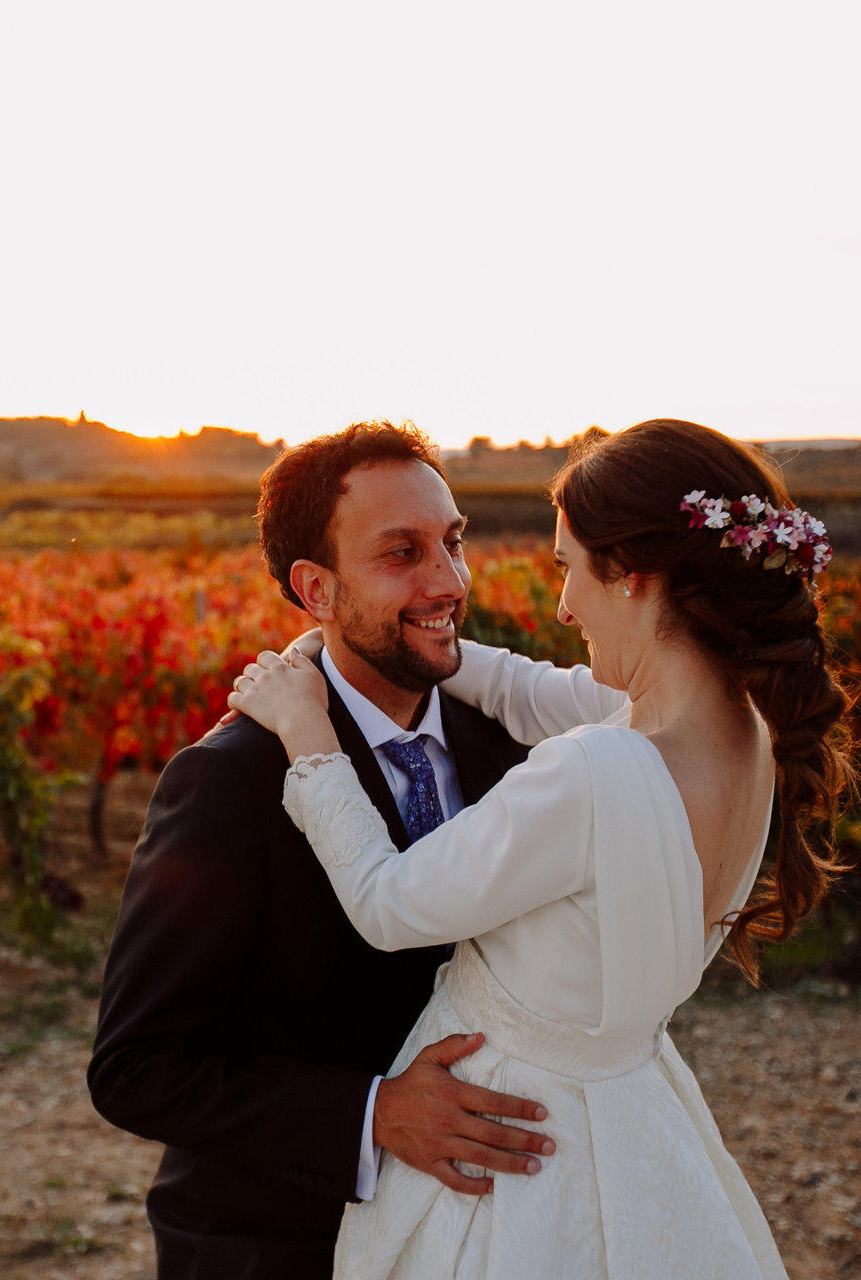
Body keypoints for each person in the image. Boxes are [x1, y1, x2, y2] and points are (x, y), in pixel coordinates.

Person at [229, 418, 851, 1278]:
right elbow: (525, 689)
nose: (561, 606)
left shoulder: (595, 771)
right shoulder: (745, 737)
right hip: (632, 1125)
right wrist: (382, 633)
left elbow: (387, 904)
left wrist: (308, 733)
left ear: (632, 577)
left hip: (504, 1157)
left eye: (568, 570)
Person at [90, 422, 590, 1278]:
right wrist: (373, 1113)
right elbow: (139, 1066)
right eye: (403, 553)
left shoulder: (516, 747)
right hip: (285, 1241)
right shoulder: (228, 782)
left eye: (453, 542)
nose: (448, 582)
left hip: (487, 1236)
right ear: (316, 590)